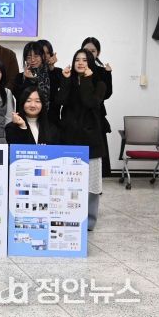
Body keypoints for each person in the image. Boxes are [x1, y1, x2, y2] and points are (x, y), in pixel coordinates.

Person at [56, 49, 106, 230]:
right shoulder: (69, 80)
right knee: (69, 181)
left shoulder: (100, 83)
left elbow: (89, 102)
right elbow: (60, 101)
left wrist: (86, 80)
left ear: (91, 63)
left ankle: (90, 221)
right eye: (77, 59)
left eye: (85, 60)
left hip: (91, 139)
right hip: (69, 137)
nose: (80, 63)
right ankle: (69, 216)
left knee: (92, 183)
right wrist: (65, 80)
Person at [82, 37, 113, 177]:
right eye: (86, 50)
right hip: (79, 117)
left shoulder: (102, 70)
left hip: (96, 116)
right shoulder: (76, 68)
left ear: (98, 53)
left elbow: (107, 94)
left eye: (93, 51)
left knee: (97, 156)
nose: (89, 53)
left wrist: (108, 74)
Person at [13, 42, 51, 114]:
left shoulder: (50, 75)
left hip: (46, 117)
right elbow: (20, 98)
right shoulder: (19, 77)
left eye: (36, 56)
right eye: (29, 57)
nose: (32, 60)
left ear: (42, 57)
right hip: (24, 118)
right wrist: (28, 80)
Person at [37, 39, 63, 127]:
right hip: (34, 117)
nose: (45, 56)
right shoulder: (30, 73)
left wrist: (51, 68)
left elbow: (57, 93)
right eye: (42, 52)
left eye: (48, 53)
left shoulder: (58, 72)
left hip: (52, 119)